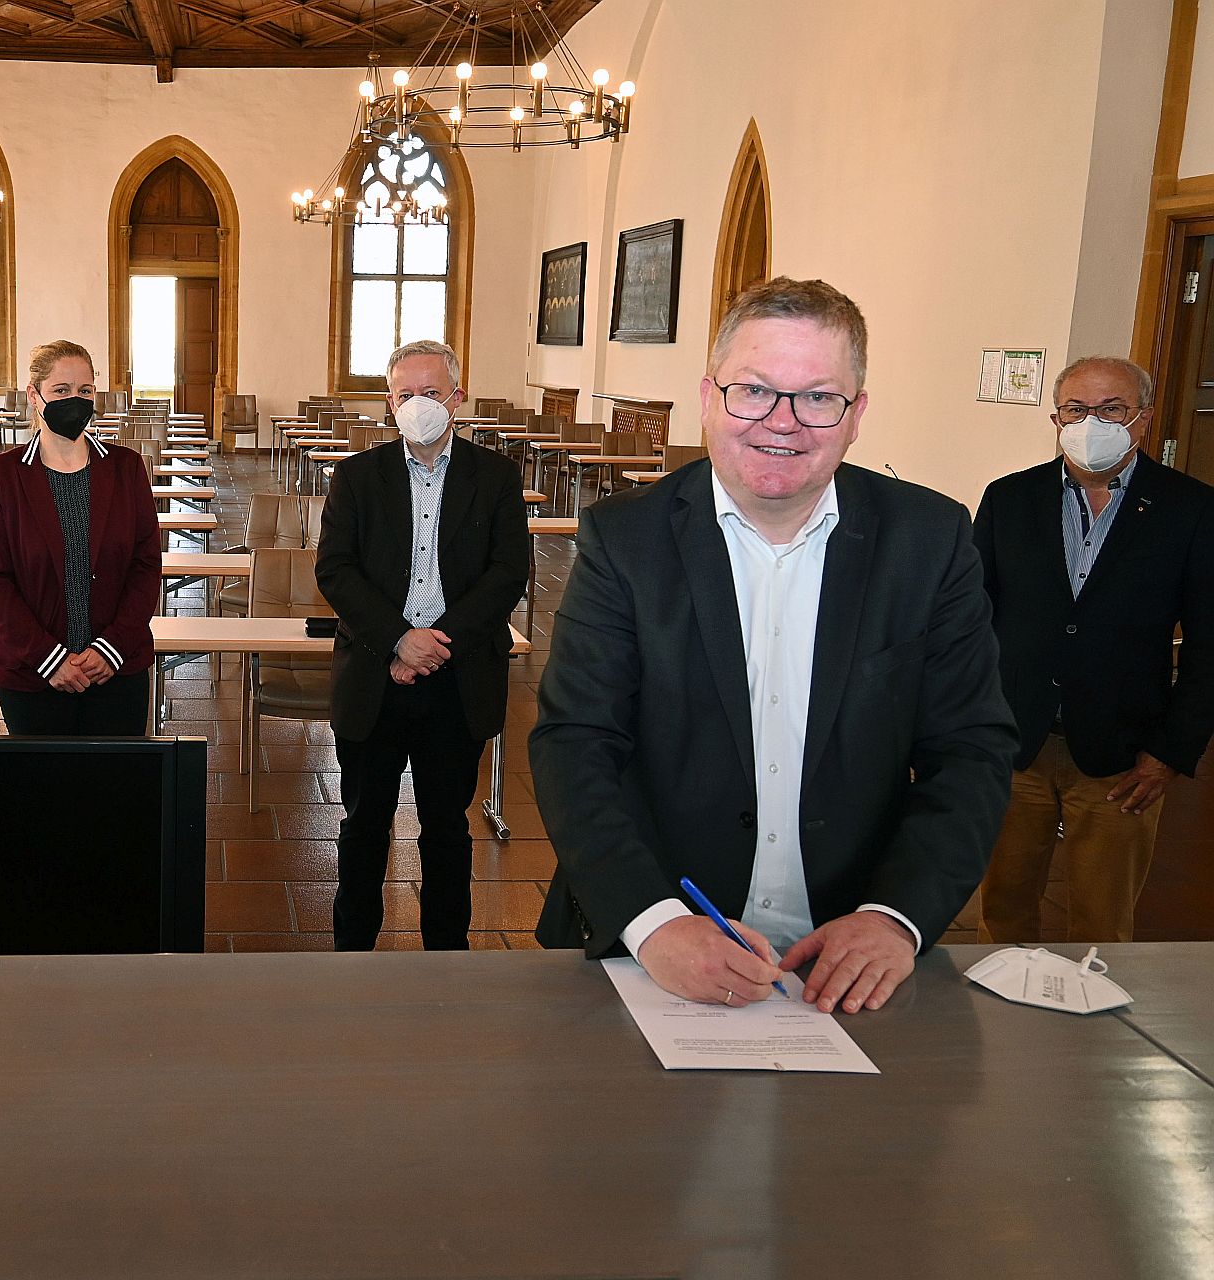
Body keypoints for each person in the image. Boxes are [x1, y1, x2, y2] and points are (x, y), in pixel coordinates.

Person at [530, 277, 1015, 1012]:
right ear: (706, 396)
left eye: (818, 397)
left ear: (856, 415)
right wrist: (655, 923)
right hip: (657, 950)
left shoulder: (930, 541)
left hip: (850, 959)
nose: (782, 422)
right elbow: (576, 742)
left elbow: (971, 750)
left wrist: (895, 918)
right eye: (753, 390)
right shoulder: (626, 538)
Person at [973, 355, 1214, 943]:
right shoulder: (1009, 499)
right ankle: (997, 1026)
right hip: (1014, 747)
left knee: (1103, 925)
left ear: (1144, 420)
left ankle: (1097, 1031)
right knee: (1001, 912)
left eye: (1112, 409)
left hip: (1125, 757)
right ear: (1056, 417)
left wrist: (1169, 753)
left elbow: (1210, 646)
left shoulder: (1191, 509)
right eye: (1078, 409)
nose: (1093, 422)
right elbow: (970, 622)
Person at [315, 339, 529, 950]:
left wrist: (439, 644)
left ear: (456, 398)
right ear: (389, 403)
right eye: (405, 395)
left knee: (446, 831)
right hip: (376, 678)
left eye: (430, 393)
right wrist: (398, 642)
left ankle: (446, 957)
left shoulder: (494, 476)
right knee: (362, 827)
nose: (418, 405)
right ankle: (352, 952)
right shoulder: (357, 477)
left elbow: (507, 572)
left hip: (457, 679)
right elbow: (336, 570)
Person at [0, 340, 161, 735]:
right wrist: (49, 659)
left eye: (85, 391)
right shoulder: (2, 477)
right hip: (33, 676)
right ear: (34, 395)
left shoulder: (126, 469)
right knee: (42, 793)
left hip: (116, 671)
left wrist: (110, 650)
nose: (74, 401)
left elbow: (145, 568)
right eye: (61, 391)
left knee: (116, 789)